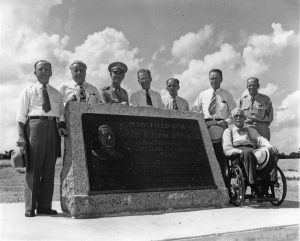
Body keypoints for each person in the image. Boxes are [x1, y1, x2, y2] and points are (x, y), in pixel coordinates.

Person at [16, 60, 66, 217]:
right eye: (40, 69)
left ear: (51, 72)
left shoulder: (57, 94)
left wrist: (61, 128)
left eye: (47, 69)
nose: (43, 71)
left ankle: (44, 206)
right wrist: (21, 136)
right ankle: (30, 207)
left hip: (53, 128)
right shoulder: (28, 91)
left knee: (49, 168)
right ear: (35, 73)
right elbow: (21, 117)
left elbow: (62, 115)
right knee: (33, 168)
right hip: (34, 126)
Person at [191, 69, 236, 181]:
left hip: (222, 127)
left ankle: (225, 184)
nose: (213, 80)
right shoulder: (203, 94)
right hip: (206, 126)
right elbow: (194, 110)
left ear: (221, 79)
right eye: (211, 78)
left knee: (221, 157)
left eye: (216, 78)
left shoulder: (227, 94)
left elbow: (234, 114)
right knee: (205, 156)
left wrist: (226, 122)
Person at [222, 108, 278, 197]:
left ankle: (269, 182)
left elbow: (260, 139)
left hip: (252, 152)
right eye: (236, 116)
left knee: (272, 152)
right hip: (237, 156)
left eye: (241, 116)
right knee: (248, 153)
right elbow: (227, 149)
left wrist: (270, 146)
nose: (238, 118)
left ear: (244, 118)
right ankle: (254, 184)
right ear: (232, 119)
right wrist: (241, 151)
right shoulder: (228, 131)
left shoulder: (250, 130)